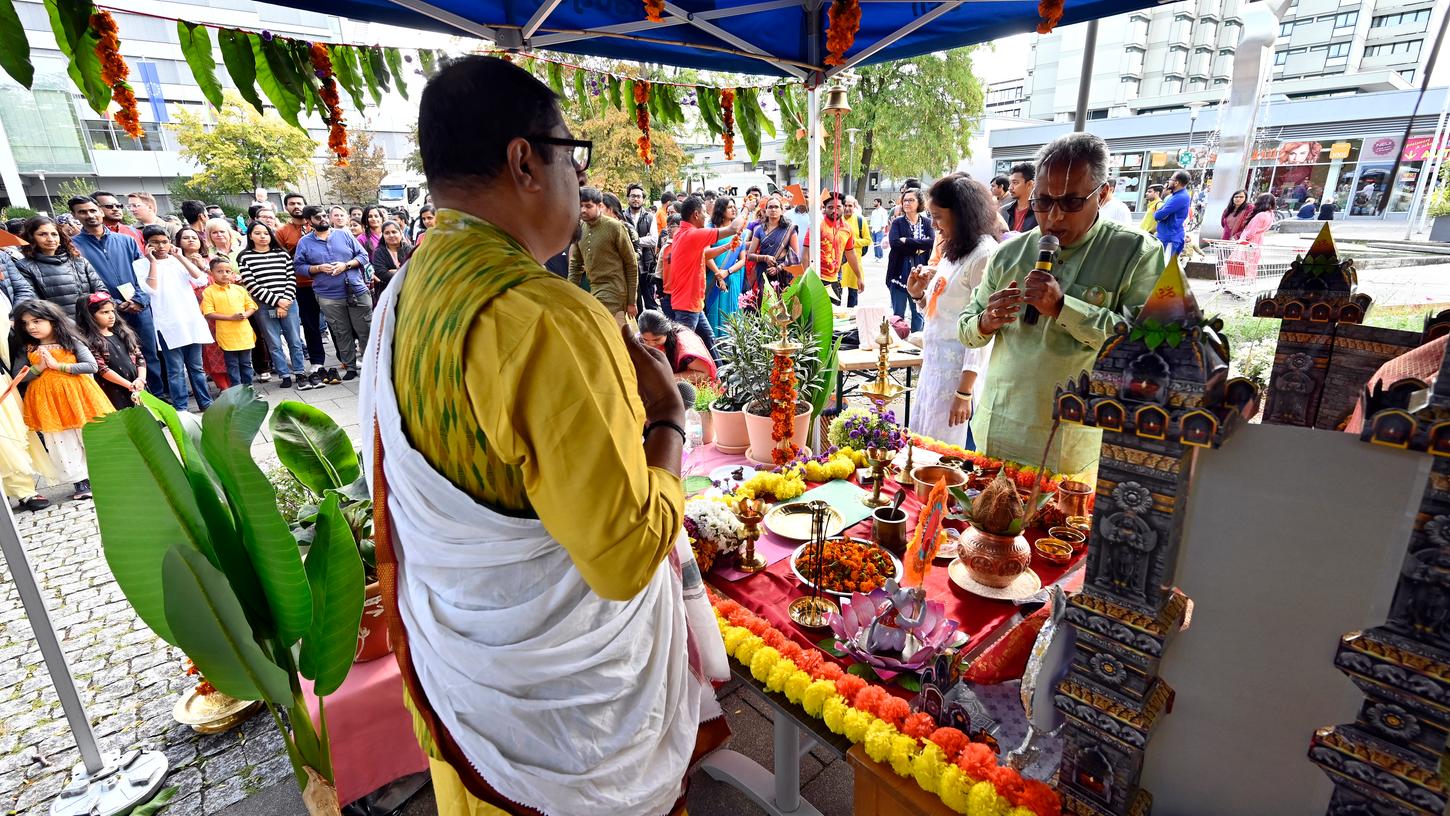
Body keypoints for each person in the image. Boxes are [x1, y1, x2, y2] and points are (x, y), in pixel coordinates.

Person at [362, 55, 726, 816]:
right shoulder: (543, 318)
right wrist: (668, 418)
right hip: (564, 729)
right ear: (526, 160)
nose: (577, 177)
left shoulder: (409, 287)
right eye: (572, 152)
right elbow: (625, 556)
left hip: (470, 679)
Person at [960, 132, 1162, 476]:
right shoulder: (1010, 252)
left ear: (1104, 193)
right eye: (1042, 202)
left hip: (1072, 441)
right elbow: (967, 328)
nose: (1053, 217)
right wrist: (986, 321)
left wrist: (1064, 308)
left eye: (1070, 203)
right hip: (1000, 427)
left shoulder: (1136, 254)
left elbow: (1147, 348)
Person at [905, 174, 998, 449]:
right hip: (935, 369)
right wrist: (919, 293)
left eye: (938, 217)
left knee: (948, 455)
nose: (933, 224)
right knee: (924, 447)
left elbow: (983, 328)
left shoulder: (984, 255)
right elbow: (941, 315)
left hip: (958, 376)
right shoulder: (954, 250)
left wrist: (964, 391)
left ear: (961, 214)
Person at [11, 298, 113, 499]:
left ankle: (103, 476)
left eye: (37, 321)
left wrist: (59, 367)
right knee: (61, 441)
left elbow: (91, 366)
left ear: (52, 320)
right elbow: (18, 376)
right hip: (49, 402)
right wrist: (39, 368)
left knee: (88, 434)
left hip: (79, 397)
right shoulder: (29, 348)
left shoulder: (70, 341)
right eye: (26, 323)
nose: (31, 327)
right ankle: (80, 482)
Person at [69, 196, 159, 394]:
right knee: (118, 356)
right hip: (104, 311)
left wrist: (139, 299)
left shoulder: (127, 241)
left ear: (100, 211)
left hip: (138, 306)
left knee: (148, 354)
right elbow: (83, 282)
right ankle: (133, 399)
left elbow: (143, 274)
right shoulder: (74, 246)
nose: (90, 215)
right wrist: (114, 304)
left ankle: (158, 398)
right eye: (83, 212)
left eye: (93, 210)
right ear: (75, 216)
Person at [135, 226, 214, 411]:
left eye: (164, 242)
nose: (161, 246)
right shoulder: (140, 265)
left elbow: (200, 279)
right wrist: (152, 262)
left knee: (196, 368)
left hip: (190, 320)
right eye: (155, 242)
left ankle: (206, 403)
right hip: (167, 324)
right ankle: (181, 407)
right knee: (175, 370)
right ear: (147, 244)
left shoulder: (178, 260)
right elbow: (150, 289)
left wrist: (180, 257)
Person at [294, 204, 371, 382]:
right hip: (328, 295)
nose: (322, 220)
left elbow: (363, 256)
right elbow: (298, 267)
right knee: (341, 332)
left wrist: (346, 265)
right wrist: (318, 268)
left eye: (324, 216)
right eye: (317, 218)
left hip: (356, 290)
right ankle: (350, 366)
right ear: (309, 221)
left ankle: (371, 365)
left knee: (365, 330)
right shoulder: (304, 242)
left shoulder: (344, 234)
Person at [665, 195, 744, 361]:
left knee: (709, 340)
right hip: (687, 305)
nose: (706, 217)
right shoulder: (693, 234)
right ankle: (681, 381)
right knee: (685, 350)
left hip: (692, 302)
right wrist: (748, 208)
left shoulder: (682, 232)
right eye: (703, 213)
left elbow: (704, 254)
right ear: (695, 214)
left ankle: (720, 379)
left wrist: (727, 246)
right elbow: (733, 229)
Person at [237, 221, 309, 390]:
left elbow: (291, 279)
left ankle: (300, 372)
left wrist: (285, 302)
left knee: (294, 340)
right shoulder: (245, 257)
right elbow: (252, 285)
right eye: (258, 233)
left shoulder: (282, 254)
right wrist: (276, 302)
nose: (263, 236)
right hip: (264, 306)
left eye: (266, 233)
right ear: (250, 236)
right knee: (274, 342)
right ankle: (284, 374)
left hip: (289, 302)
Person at [275, 193, 327, 384]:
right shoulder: (283, 232)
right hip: (302, 284)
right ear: (286, 207)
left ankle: (346, 360)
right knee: (311, 324)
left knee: (336, 323)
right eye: (291, 204)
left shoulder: (319, 225)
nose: (296, 206)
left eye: (299, 203)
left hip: (326, 282)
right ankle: (317, 361)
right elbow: (281, 259)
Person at [569, 187, 639, 326]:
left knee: (617, 340)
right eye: (580, 205)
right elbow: (575, 265)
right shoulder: (580, 229)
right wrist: (569, 293)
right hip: (594, 290)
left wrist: (632, 301)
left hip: (615, 294)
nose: (583, 210)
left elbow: (631, 263)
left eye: (588, 206)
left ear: (600, 206)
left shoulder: (615, 227)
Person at [177, 226, 232, 391]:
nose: (191, 240)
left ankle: (235, 383)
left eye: (194, 237)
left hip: (218, 309)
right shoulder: (174, 262)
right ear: (178, 242)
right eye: (186, 238)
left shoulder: (212, 259)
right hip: (193, 311)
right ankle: (223, 386)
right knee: (207, 350)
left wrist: (204, 267)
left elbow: (227, 280)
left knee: (224, 346)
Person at [13, 217, 101, 313]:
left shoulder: (79, 261)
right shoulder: (24, 267)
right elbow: (33, 304)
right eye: (42, 234)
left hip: (89, 322)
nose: (50, 239)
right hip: (57, 324)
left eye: (54, 234)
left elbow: (100, 291)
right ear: (31, 237)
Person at [75, 291, 145, 410]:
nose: (111, 315)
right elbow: (102, 369)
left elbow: (139, 357)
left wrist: (141, 379)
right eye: (104, 312)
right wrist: (129, 385)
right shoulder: (89, 341)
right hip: (114, 390)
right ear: (90, 316)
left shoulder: (122, 333)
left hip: (137, 385)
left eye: (113, 311)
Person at [200, 257, 258, 387]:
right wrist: (231, 318)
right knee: (232, 364)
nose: (224, 274)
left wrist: (245, 314)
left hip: (244, 333)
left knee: (246, 363)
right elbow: (208, 313)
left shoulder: (239, 289)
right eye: (220, 271)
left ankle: (249, 388)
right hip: (226, 335)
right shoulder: (209, 292)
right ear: (212, 273)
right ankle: (236, 390)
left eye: (228, 271)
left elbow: (252, 306)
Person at [887, 188, 934, 332]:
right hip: (899, 272)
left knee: (918, 313)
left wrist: (907, 240)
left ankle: (916, 345)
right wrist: (919, 246)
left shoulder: (927, 223)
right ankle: (898, 345)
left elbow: (931, 242)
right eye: (905, 200)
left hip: (920, 273)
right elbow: (895, 244)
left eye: (911, 200)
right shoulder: (897, 223)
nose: (907, 203)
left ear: (919, 202)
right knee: (898, 315)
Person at [636, 309, 717, 388]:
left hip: (693, 390)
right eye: (645, 340)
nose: (651, 344)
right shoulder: (639, 340)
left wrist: (668, 379)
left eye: (656, 339)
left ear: (667, 332)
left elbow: (704, 374)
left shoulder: (685, 343)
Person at [803, 192, 860, 304]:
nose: (834, 211)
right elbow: (805, 254)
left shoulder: (847, 228)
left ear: (843, 207)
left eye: (838, 207)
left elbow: (850, 253)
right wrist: (806, 280)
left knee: (834, 317)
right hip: (816, 279)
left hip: (835, 280)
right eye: (830, 207)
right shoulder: (817, 226)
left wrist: (859, 276)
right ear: (824, 208)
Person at [703, 197, 746, 334]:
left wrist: (727, 272)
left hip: (733, 277)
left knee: (731, 311)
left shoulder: (741, 232)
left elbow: (743, 259)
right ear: (721, 210)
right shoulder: (711, 230)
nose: (733, 209)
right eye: (729, 207)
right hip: (713, 277)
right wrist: (719, 275)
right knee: (714, 311)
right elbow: (706, 255)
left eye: (734, 206)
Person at [743, 194, 799, 298]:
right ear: (766, 211)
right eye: (770, 207)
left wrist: (779, 268)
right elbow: (750, 255)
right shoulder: (759, 230)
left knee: (782, 305)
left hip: (783, 272)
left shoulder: (790, 229)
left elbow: (795, 256)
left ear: (782, 210)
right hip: (763, 271)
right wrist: (765, 258)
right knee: (765, 304)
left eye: (776, 207)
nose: (773, 209)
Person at [625, 184, 660, 312]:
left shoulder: (650, 217)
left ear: (643, 199)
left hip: (647, 266)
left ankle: (655, 331)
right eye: (633, 196)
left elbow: (653, 240)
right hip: (629, 267)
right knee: (635, 305)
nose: (636, 199)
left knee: (651, 304)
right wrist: (644, 239)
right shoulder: (623, 216)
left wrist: (634, 240)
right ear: (628, 198)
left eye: (639, 196)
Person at [841, 196, 872, 307]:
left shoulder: (860, 220)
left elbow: (868, 240)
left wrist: (853, 242)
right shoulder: (837, 219)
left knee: (853, 295)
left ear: (854, 207)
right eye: (845, 205)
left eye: (850, 206)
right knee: (836, 294)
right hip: (839, 263)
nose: (848, 208)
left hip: (854, 263)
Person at [1154, 170, 1192, 257]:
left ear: (1176, 183)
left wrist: (1158, 213)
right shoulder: (1174, 196)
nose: (1169, 181)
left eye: (1171, 179)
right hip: (1167, 236)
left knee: (1165, 268)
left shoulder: (1180, 197)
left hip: (1170, 239)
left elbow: (1159, 215)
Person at [372, 221, 412, 290]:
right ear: (383, 235)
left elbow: (415, 270)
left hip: (409, 290)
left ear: (400, 233)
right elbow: (381, 274)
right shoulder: (379, 252)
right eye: (387, 233)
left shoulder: (410, 250)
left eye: (394, 232)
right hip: (388, 290)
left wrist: (394, 272)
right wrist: (403, 272)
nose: (391, 235)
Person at [1001, 162, 1038, 234]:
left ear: (1030, 184)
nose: (1010, 188)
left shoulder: (1040, 212)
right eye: (1010, 183)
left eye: (1015, 183)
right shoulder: (1004, 210)